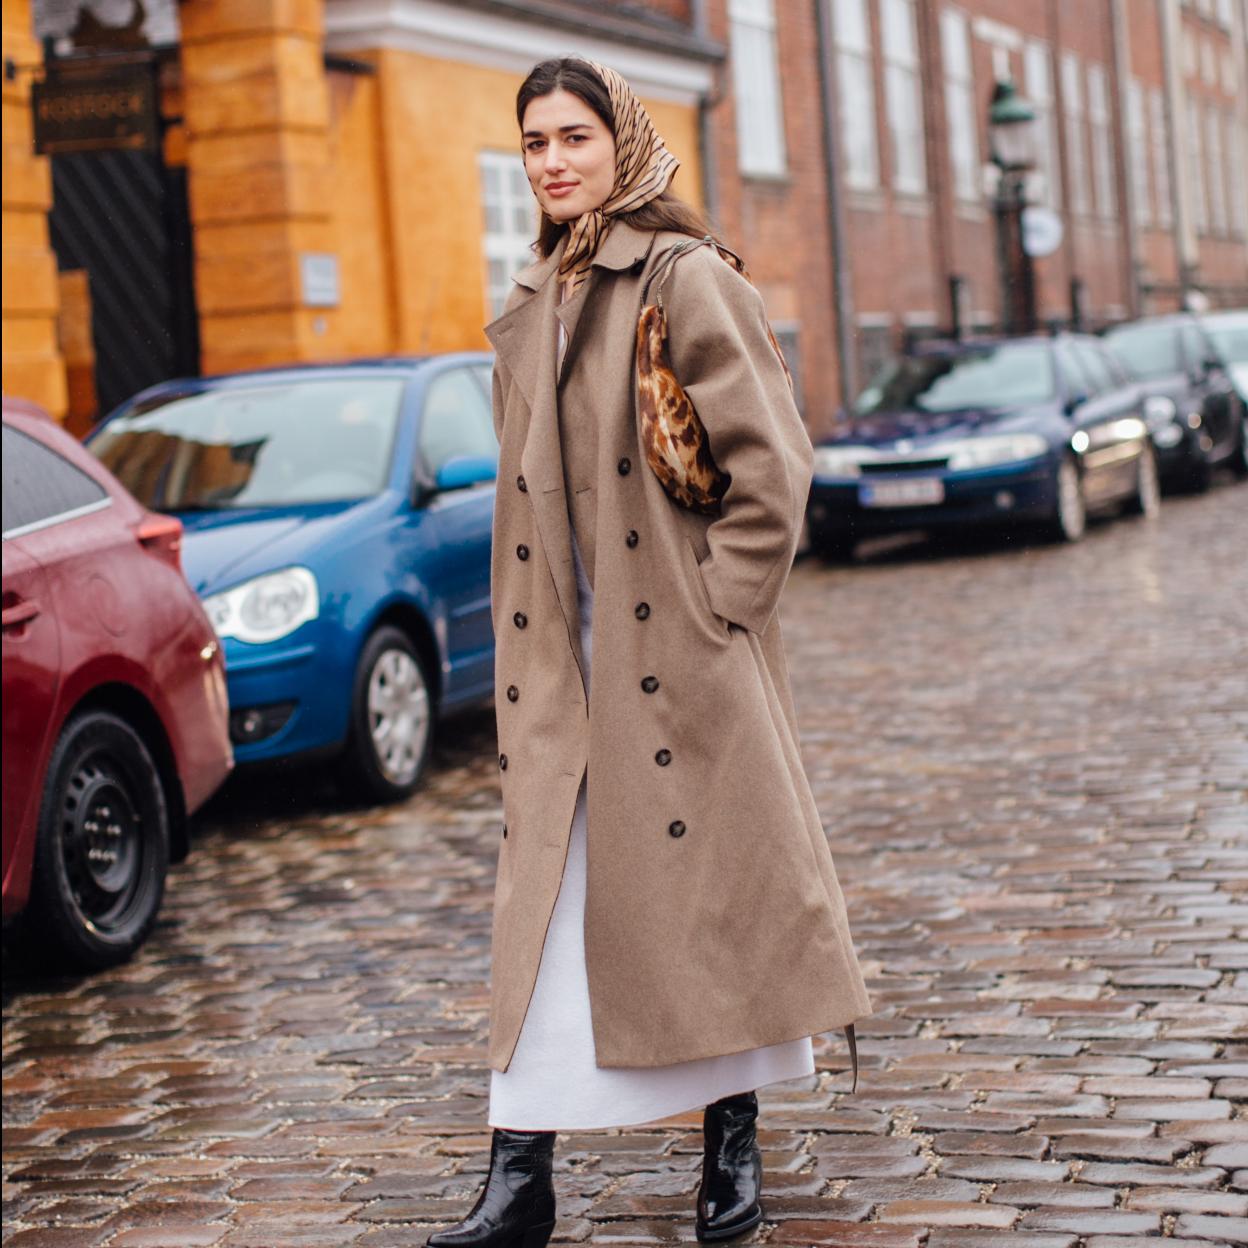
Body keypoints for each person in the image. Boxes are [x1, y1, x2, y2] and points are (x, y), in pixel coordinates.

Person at [426, 56, 873, 1248]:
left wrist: (716, 610)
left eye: (573, 135)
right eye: (533, 143)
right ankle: (519, 1180)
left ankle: (733, 1152)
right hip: (561, 668)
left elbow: (774, 469)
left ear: (622, 140)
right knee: (548, 910)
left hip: (673, 659)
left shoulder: (683, 275)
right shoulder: (534, 299)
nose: (553, 160)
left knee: (701, 902)